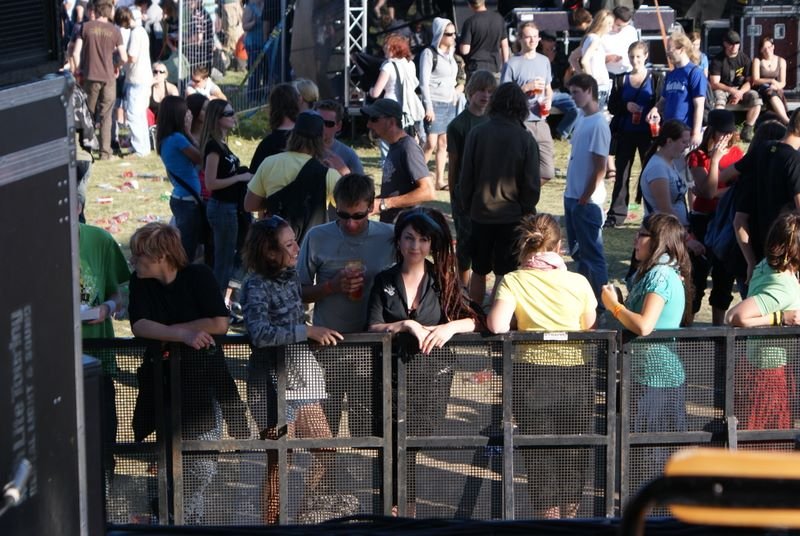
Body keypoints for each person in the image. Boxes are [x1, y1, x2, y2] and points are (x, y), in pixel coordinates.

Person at [128, 222, 249, 525]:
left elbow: (219, 323)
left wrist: (167, 333)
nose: (134, 261)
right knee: (168, 462)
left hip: (203, 386)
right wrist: (182, 335)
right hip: (162, 386)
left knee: (202, 464)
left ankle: (174, 516)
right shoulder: (140, 282)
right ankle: (177, 519)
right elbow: (139, 325)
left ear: (161, 256)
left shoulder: (198, 275)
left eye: (139, 255)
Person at [367, 207, 481, 517]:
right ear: (398, 241)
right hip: (390, 377)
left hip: (431, 378)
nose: (415, 246)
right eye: (408, 238)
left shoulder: (443, 279)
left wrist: (450, 327)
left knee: (411, 447)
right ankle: (396, 515)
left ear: (431, 244)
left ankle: (406, 514)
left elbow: (476, 319)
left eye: (422, 239)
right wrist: (404, 325)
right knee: (392, 449)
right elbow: (372, 326)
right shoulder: (385, 279)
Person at [487, 213, 596, 519]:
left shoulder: (513, 280)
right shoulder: (578, 281)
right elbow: (589, 323)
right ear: (559, 246)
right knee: (574, 452)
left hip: (531, 376)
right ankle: (570, 521)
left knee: (539, 455)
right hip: (575, 375)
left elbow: (496, 324)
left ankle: (549, 522)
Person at [241, 216, 342, 524]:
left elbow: (294, 309)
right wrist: (306, 331)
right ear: (270, 253)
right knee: (281, 459)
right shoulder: (254, 285)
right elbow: (259, 333)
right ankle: (272, 524)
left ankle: (298, 516)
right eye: (288, 244)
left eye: (295, 241)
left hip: (302, 378)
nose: (297, 248)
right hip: (270, 382)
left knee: (325, 448)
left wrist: (328, 291)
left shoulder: (289, 275)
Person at [298, 173, 395, 436]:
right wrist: (331, 286)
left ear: (372, 207)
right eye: (343, 215)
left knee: (366, 431)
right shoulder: (317, 237)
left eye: (358, 216)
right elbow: (297, 293)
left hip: (371, 346)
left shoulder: (390, 237)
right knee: (323, 433)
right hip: (326, 345)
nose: (350, 224)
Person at [601, 213, 693, 437]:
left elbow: (644, 326)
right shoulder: (660, 272)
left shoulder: (660, 275)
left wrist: (615, 307)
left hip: (657, 379)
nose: (635, 239)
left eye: (641, 234)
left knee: (649, 451)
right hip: (648, 376)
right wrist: (620, 303)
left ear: (658, 241)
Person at [460, 82, 541, 305]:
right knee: (505, 274)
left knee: (478, 269)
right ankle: (497, 317)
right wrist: (526, 210)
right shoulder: (525, 139)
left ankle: (476, 314)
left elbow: (466, 177)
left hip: (480, 214)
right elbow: (531, 185)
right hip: (512, 217)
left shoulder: (477, 133)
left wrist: (467, 206)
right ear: (521, 107)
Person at [726, 213, 800, 430]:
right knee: (766, 439)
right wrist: (781, 317)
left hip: (765, 368)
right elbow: (734, 316)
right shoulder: (782, 288)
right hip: (767, 376)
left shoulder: (766, 266)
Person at [78, 193, 130, 480]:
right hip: (54, 359)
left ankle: (105, 483)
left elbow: (116, 294)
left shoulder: (99, 240)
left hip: (97, 353)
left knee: (103, 427)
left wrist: (107, 308)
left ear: (78, 207)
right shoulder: (34, 242)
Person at [723, 108, 800, 283]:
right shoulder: (794, 161)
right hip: (782, 259)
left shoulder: (760, 151)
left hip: (751, 256)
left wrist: (750, 262)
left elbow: (724, 177)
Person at [244, 111, 342, 244]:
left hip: (276, 245)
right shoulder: (328, 174)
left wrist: (276, 202)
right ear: (320, 140)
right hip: (310, 248)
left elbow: (249, 205)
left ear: (292, 135)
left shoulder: (270, 163)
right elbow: (348, 206)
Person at [687, 109, 744, 324]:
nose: (726, 137)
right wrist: (715, 160)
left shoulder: (737, 153)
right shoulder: (697, 156)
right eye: (722, 132)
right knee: (697, 276)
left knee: (724, 277)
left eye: (730, 133)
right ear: (711, 131)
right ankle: (687, 328)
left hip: (726, 220)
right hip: (703, 219)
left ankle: (718, 328)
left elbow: (736, 188)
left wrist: (717, 192)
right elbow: (709, 192)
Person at [446, 69, 496, 286]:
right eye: (481, 90)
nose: (485, 95)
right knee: (465, 246)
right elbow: (453, 165)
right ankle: (463, 289)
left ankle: (477, 290)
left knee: (486, 246)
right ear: (470, 92)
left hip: (490, 193)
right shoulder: (458, 125)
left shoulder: (495, 121)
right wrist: (453, 195)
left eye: (490, 91)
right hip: (465, 194)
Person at [563, 73, 610, 304]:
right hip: (573, 195)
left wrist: (584, 197)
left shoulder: (598, 124)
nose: (573, 97)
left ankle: (603, 302)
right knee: (579, 253)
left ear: (589, 91)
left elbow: (600, 168)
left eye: (576, 92)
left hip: (586, 201)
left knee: (592, 255)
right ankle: (586, 300)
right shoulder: (582, 117)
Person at [606, 41, 662, 229]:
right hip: (625, 133)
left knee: (650, 173)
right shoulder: (621, 79)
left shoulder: (655, 78)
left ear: (646, 56)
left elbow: (662, 101)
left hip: (648, 134)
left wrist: (655, 110)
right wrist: (626, 106)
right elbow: (612, 106)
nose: (635, 60)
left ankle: (652, 213)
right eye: (632, 57)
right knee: (621, 174)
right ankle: (616, 215)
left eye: (638, 56)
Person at [199, 99, 253, 294]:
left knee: (229, 256)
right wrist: (239, 177)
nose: (233, 117)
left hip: (229, 207)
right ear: (217, 118)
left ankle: (221, 299)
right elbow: (210, 183)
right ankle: (217, 301)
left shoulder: (222, 144)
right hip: (222, 207)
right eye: (228, 114)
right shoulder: (213, 147)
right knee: (224, 260)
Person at [361, 98, 435, 223]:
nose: (368, 124)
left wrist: (384, 204)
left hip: (402, 227)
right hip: (392, 225)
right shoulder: (395, 146)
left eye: (374, 119)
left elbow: (428, 192)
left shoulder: (408, 147)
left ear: (391, 122)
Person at [501, 21, 555, 183]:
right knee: (518, 168)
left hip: (541, 120)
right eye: (528, 37)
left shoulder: (544, 61)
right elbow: (504, 96)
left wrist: (549, 100)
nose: (532, 40)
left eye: (535, 36)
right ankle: (518, 195)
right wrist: (525, 88)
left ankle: (525, 193)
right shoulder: (512, 63)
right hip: (520, 121)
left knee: (547, 171)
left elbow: (548, 88)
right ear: (519, 38)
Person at [72, 1, 128, 160]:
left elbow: (75, 52)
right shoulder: (115, 31)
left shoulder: (85, 27)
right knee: (106, 115)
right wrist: (116, 65)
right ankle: (105, 152)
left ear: (96, 11)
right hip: (109, 77)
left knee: (87, 113)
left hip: (90, 76)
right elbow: (124, 57)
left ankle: (85, 149)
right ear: (109, 12)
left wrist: (77, 70)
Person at [155, 95, 205, 261]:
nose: (188, 115)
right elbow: (201, 158)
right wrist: (189, 132)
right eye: (186, 112)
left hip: (182, 197)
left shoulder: (166, 138)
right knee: (187, 249)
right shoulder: (178, 139)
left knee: (187, 244)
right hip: (187, 200)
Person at [419, 17, 460, 190]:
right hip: (434, 103)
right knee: (431, 143)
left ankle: (439, 181)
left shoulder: (451, 55)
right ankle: (417, 176)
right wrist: (428, 107)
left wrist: (455, 93)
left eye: (454, 34)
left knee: (444, 144)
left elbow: (452, 78)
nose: (453, 37)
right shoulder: (429, 54)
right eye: (449, 34)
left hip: (449, 103)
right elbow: (424, 82)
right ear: (440, 34)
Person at [647, 32, 706, 149]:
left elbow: (699, 105)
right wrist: (655, 109)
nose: (668, 53)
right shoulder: (671, 74)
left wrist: (695, 133)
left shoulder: (695, 73)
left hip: (686, 131)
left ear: (681, 49)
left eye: (670, 49)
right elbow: (664, 99)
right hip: (669, 131)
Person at [709, 30, 761, 142]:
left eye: (737, 43)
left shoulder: (745, 59)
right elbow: (714, 83)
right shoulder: (718, 60)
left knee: (756, 99)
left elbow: (749, 82)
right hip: (723, 88)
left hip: (741, 90)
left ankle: (747, 129)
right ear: (725, 43)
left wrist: (740, 92)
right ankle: (718, 131)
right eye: (731, 43)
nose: (734, 46)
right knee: (719, 101)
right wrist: (731, 91)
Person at [119, 6, 152, 156]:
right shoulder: (142, 31)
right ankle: (143, 147)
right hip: (144, 78)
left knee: (133, 115)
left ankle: (139, 148)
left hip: (136, 79)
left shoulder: (135, 33)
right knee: (140, 116)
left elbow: (132, 57)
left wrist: (119, 61)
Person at [249, 83, 301, 172]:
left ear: (272, 107)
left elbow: (254, 175)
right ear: (297, 103)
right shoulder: (307, 139)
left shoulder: (267, 144)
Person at [539, 30, 579, 140]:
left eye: (553, 40)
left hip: (558, 91)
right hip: (541, 92)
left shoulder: (560, 56)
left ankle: (561, 133)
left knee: (576, 107)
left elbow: (565, 82)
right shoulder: (537, 55)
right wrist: (549, 62)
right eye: (549, 40)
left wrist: (570, 70)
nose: (552, 43)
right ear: (541, 41)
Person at [459, 0, 509, 80]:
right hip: (494, 68)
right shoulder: (499, 19)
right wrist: (505, 66)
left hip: (476, 68)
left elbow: (465, 50)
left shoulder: (470, 22)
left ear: (469, 5)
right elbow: (505, 46)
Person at [314, 99, 365, 175]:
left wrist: (344, 171)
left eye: (328, 124)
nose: (322, 127)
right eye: (318, 121)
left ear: (339, 126)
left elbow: (361, 182)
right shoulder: (301, 149)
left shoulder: (348, 155)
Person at [578, 9, 613, 108]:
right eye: (609, 24)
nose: (611, 28)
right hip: (599, 84)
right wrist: (591, 81)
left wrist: (583, 75)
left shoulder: (587, 38)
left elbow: (573, 58)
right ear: (603, 24)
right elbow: (584, 61)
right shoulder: (595, 40)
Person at [752, 35, 790, 125]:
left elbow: (783, 82)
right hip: (761, 88)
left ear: (773, 47)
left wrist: (776, 86)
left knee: (774, 92)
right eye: (764, 48)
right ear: (761, 50)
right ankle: (786, 121)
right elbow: (756, 80)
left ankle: (783, 121)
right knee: (769, 91)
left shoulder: (781, 61)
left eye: (769, 47)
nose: (767, 50)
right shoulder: (757, 61)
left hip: (775, 88)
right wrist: (771, 81)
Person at [602, 6, 638, 77]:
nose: (621, 29)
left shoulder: (631, 31)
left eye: (624, 26)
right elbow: (592, 58)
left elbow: (636, 50)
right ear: (612, 19)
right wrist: (607, 58)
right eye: (618, 25)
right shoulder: (602, 33)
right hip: (606, 73)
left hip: (628, 72)